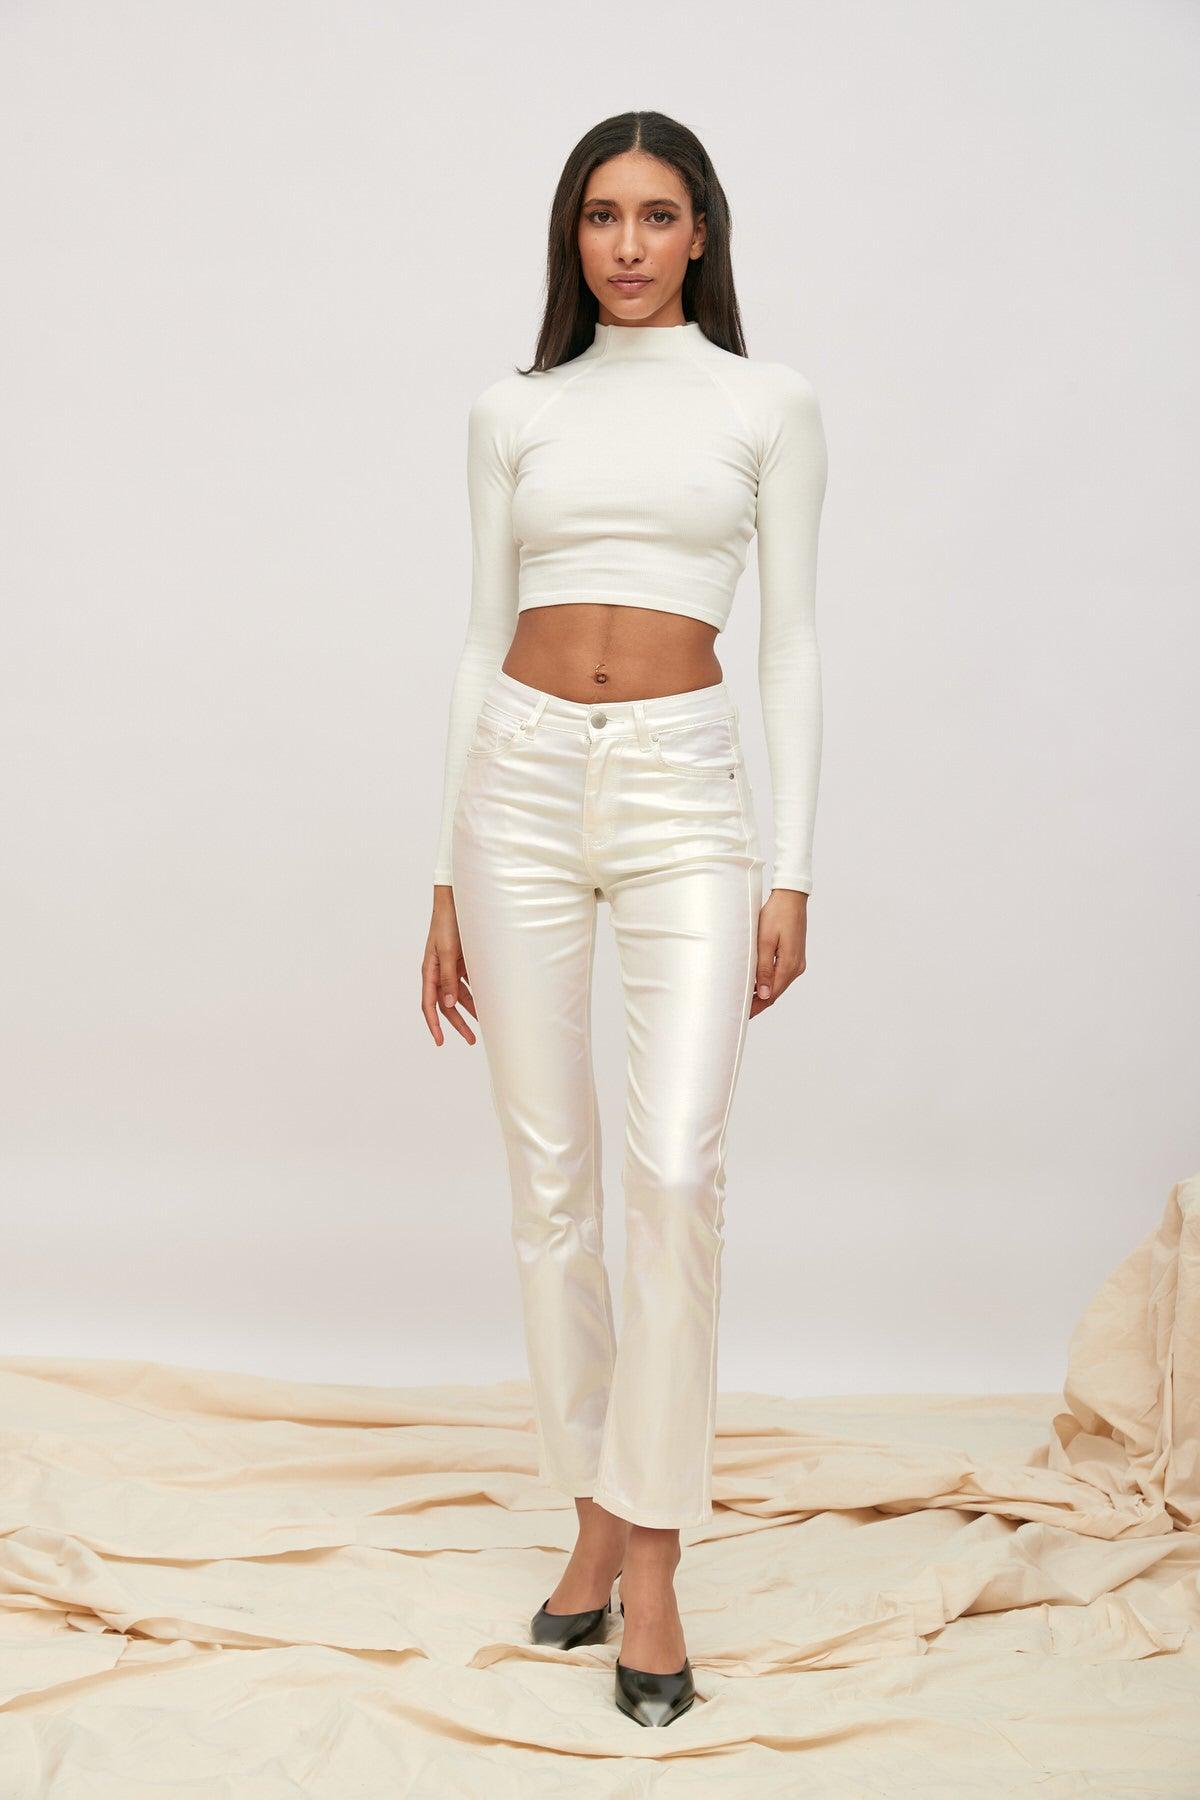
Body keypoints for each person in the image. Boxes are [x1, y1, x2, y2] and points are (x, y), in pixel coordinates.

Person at [421, 110, 828, 1728]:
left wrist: (790, 866)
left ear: (702, 231)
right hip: (516, 788)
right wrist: (442, 871)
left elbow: (791, 644)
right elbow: (477, 635)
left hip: (681, 795)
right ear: (571, 236)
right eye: (604, 215)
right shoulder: (513, 410)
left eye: (660, 215)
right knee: (551, 1182)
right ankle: (592, 1506)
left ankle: (650, 1550)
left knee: (671, 1172)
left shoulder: (764, 403)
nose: (631, 244)